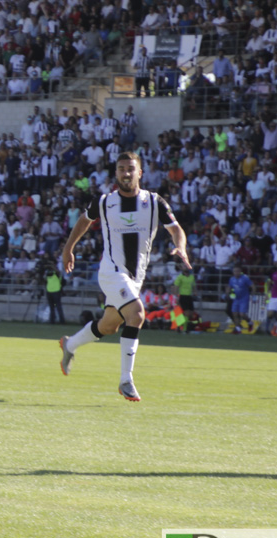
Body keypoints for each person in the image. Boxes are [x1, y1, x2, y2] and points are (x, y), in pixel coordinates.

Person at [58, 152, 191, 402]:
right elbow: (84, 222)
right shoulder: (104, 202)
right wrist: (68, 249)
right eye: (121, 169)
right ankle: (126, 380)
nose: (126, 173)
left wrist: (180, 246)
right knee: (137, 314)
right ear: (116, 173)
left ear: (140, 173)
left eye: (131, 168)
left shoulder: (154, 202)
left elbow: (176, 229)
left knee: (109, 326)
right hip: (111, 271)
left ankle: (70, 345)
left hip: (134, 277)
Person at [228, 265, 252, 334]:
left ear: (240, 271)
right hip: (236, 298)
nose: (236, 273)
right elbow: (229, 286)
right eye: (235, 271)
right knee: (234, 313)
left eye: (237, 271)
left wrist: (253, 294)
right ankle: (238, 329)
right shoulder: (232, 279)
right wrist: (227, 293)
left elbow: (252, 286)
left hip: (244, 298)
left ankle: (250, 322)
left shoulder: (245, 278)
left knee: (242, 314)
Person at [172, 267, 195, 333]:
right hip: (183, 296)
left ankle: (180, 327)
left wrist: (195, 292)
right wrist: (176, 296)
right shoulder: (180, 277)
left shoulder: (191, 277)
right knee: (186, 312)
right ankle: (185, 328)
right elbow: (176, 286)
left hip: (189, 296)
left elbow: (194, 285)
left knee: (190, 313)